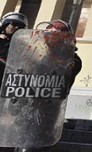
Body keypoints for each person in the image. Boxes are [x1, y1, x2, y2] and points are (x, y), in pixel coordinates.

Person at [14, 19, 82, 152]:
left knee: (32, 146)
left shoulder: (71, 58)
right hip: (29, 106)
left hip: (48, 108)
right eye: (48, 37)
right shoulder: (45, 56)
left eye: (53, 37)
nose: (49, 41)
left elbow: (61, 75)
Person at [0, 12, 28, 109]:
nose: (15, 28)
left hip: (4, 79)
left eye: (19, 26)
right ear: (5, 24)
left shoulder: (21, 45)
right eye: (13, 24)